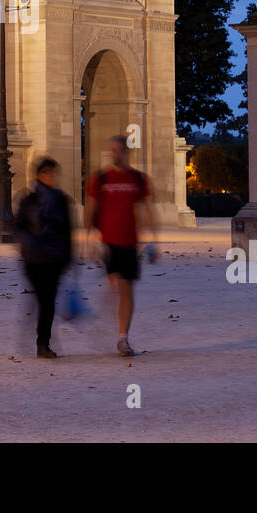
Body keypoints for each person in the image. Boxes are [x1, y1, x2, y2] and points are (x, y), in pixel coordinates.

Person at [85, 135, 157, 357]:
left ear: (126, 152)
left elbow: (147, 209)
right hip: (107, 242)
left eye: (117, 150)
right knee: (115, 287)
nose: (114, 154)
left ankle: (122, 338)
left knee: (125, 289)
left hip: (129, 242)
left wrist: (152, 239)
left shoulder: (138, 178)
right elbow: (90, 209)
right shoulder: (101, 178)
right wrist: (88, 240)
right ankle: (113, 326)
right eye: (111, 150)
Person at [14, 157, 74, 358]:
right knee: (45, 300)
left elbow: (67, 230)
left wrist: (69, 256)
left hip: (54, 256)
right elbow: (18, 227)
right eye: (46, 172)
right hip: (34, 258)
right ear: (38, 175)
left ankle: (43, 343)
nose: (51, 176)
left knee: (46, 301)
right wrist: (29, 245)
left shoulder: (61, 199)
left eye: (53, 172)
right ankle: (42, 341)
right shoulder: (28, 199)